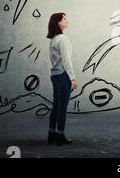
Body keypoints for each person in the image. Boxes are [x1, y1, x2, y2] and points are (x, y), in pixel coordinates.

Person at [46, 12, 78, 146]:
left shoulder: (54, 39)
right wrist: (73, 78)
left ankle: (51, 134)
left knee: (56, 105)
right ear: (58, 22)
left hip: (55, 74)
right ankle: (60, 135)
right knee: (62, 107)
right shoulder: (63, 39)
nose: (67, 21)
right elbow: (66, 60)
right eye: (64, 19)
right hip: (63, 75)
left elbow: (53, 59)